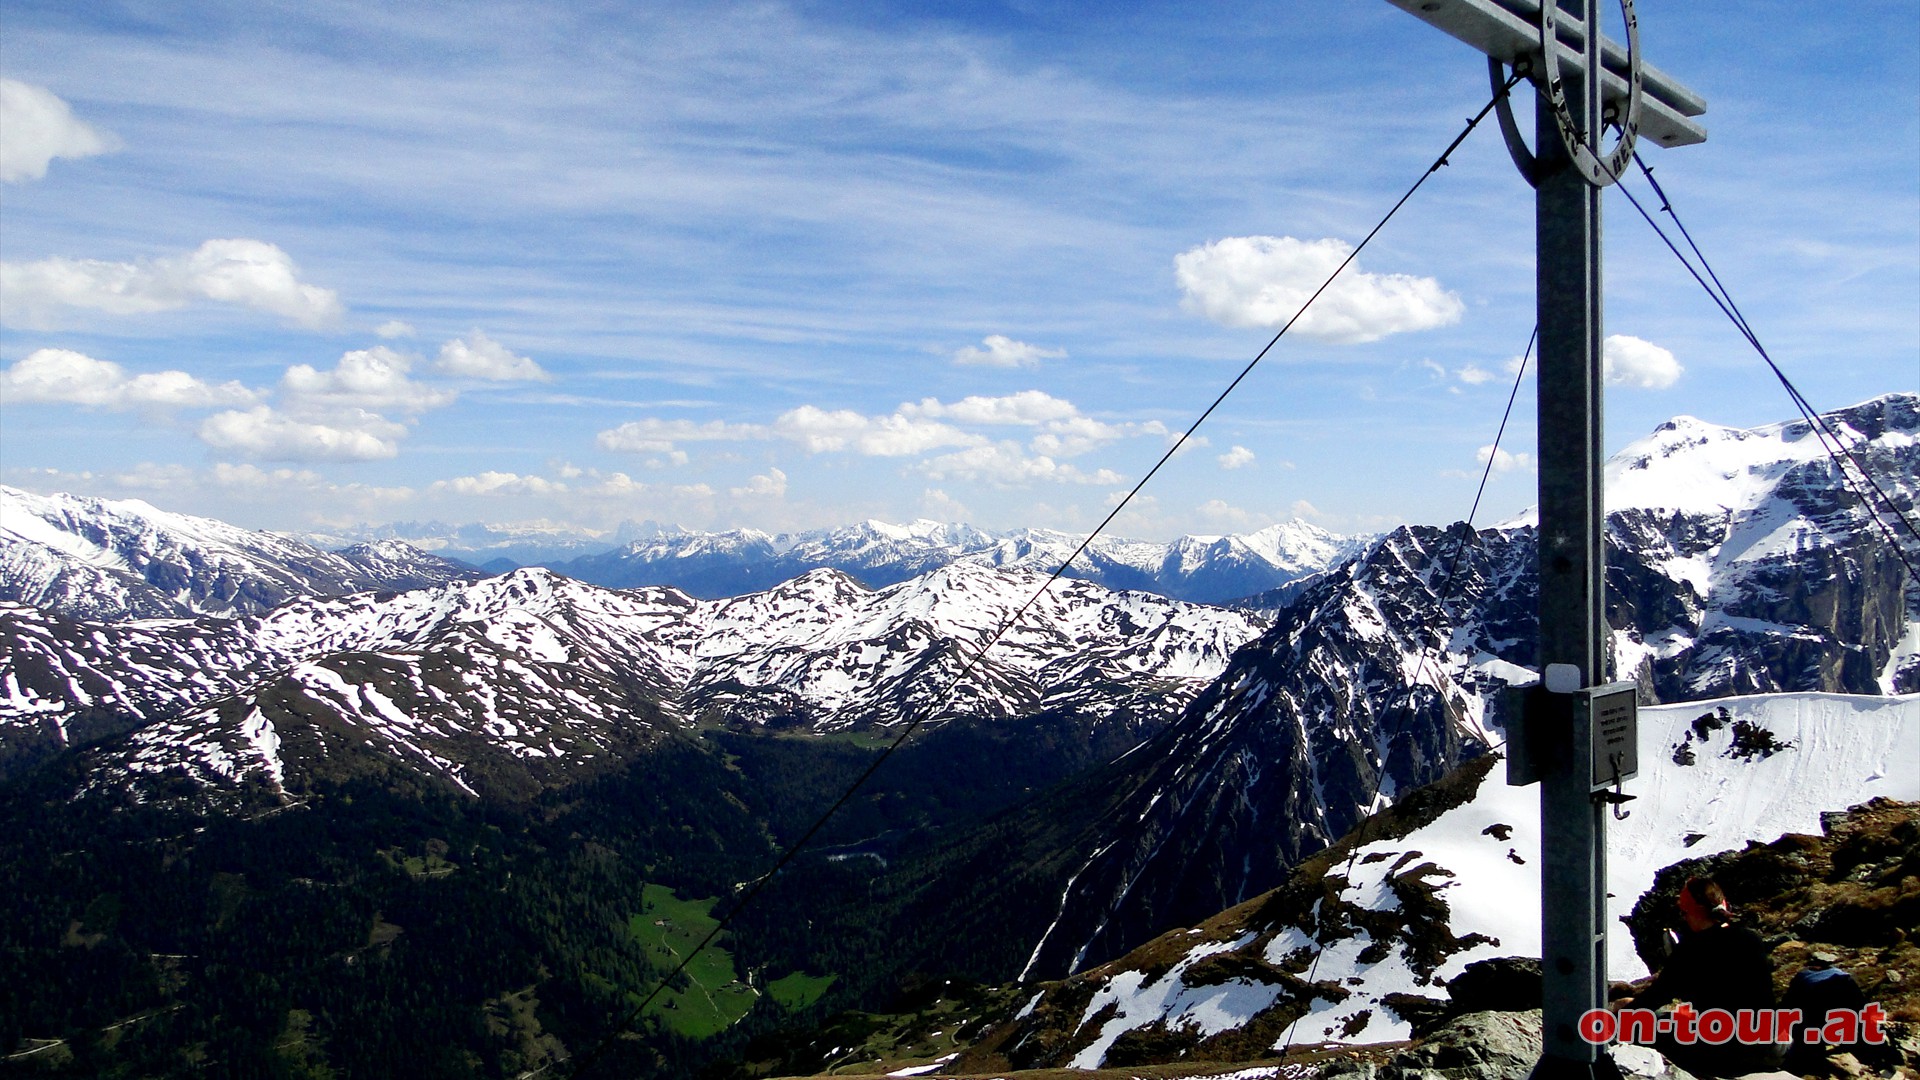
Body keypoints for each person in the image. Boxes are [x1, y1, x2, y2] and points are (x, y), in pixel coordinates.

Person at [1633, 876, 1782, 1077]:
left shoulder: (1691, 951)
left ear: (1691, 912)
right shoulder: (1750, 938)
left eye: (1683, 912)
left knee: (1653, 1024)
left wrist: (1617, 1017)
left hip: (1724, 1047)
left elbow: (1657, 996)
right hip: (1766, 1041)